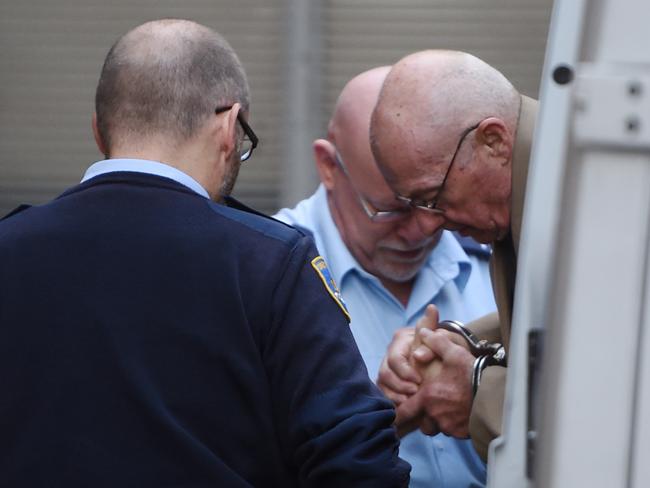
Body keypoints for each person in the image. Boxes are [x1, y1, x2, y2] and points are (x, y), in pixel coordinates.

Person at [0, 20, 410, 486]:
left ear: (99, 130)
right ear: (230, 127)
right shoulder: (271, 263)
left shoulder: (8, 249)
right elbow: (357, 459)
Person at [275, 66, 496, 487]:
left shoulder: (495, 253)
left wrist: (484, 387)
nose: (424, 229)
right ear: (328, 165)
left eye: (433, 200)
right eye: (392, 210)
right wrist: (373, 415)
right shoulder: (267, 277)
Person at [369, 49, 538, 461]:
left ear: (493, 141)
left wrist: (479, 395)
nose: (429, 226)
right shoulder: (547, 186)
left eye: (434, 196)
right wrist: (455, 342)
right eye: (412, 204)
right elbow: (576, 318)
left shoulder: (605, 197)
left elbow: (619, 397)